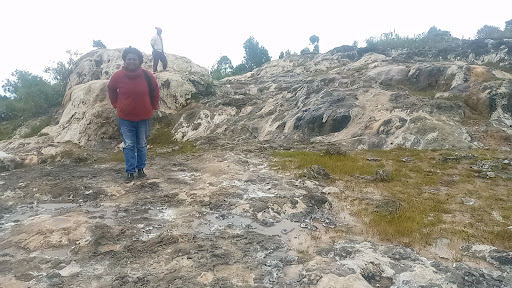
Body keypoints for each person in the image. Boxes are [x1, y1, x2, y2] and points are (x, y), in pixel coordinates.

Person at [108, 47, 160, 183]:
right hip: (125, 117)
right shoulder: (117, 75)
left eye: (134, 59)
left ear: (139, 61)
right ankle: (130, 172)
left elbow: (155, 90)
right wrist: (116, 104)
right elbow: (111, 89)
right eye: (129, 59)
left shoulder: (147, 75)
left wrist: (154, 106)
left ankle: (141, 169)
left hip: (144, 116)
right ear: (125, 60)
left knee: (142, 144)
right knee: (129, 144)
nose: (131, 61)